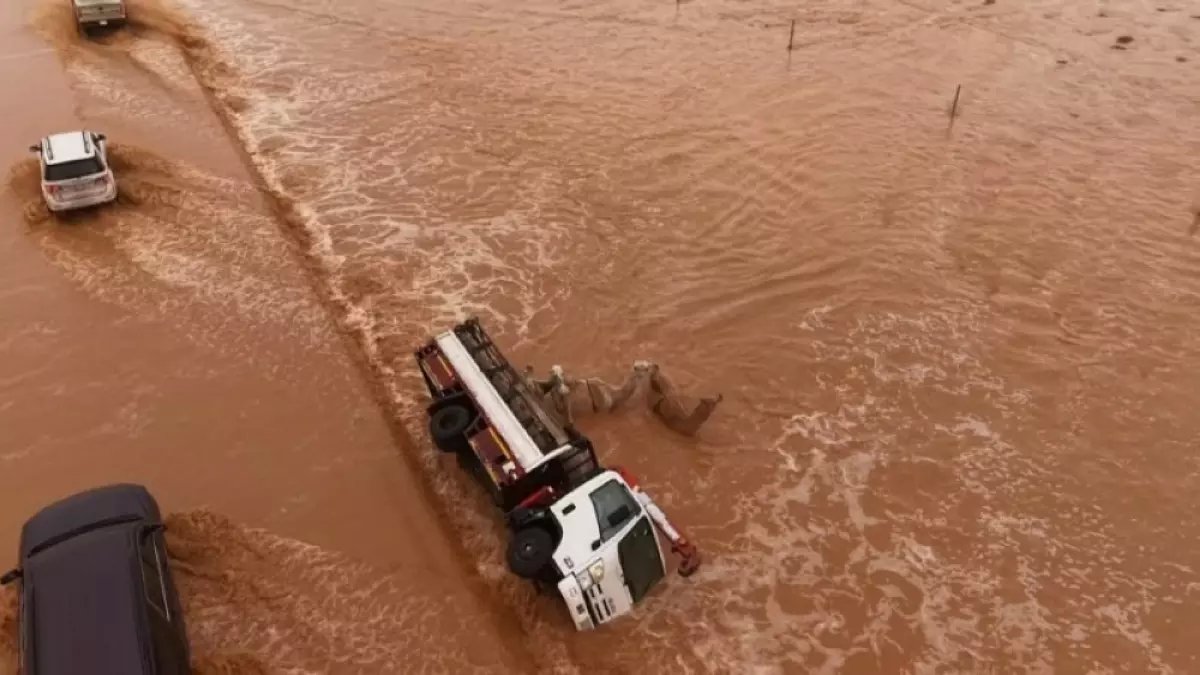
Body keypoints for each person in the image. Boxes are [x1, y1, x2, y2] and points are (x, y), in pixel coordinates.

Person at [523, 361, 721, 436]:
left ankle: (543, 383)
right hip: (591, 395)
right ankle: (543, 383)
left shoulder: (657, 396)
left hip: (591, 396)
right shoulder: (656, 393)